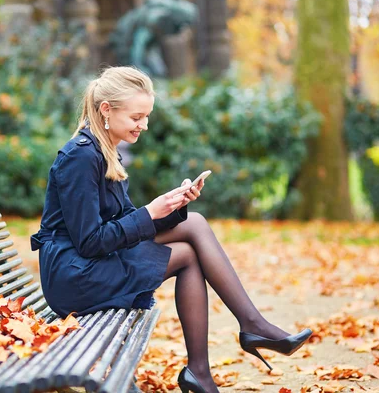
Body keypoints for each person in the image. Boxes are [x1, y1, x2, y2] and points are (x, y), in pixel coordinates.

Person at [30, 66, 312, 393]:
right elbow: (91, 241)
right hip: (72, 276)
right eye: (137, 117)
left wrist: (170, 208)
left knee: (192, 226)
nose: (144, 125)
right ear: (106, 110)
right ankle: (243, 334)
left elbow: (122, 222)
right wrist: (150, 212)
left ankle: (212, 361)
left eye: (146, 116)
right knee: (189, 250)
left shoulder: (104, 149)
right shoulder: (80, 157)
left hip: (88, 264)